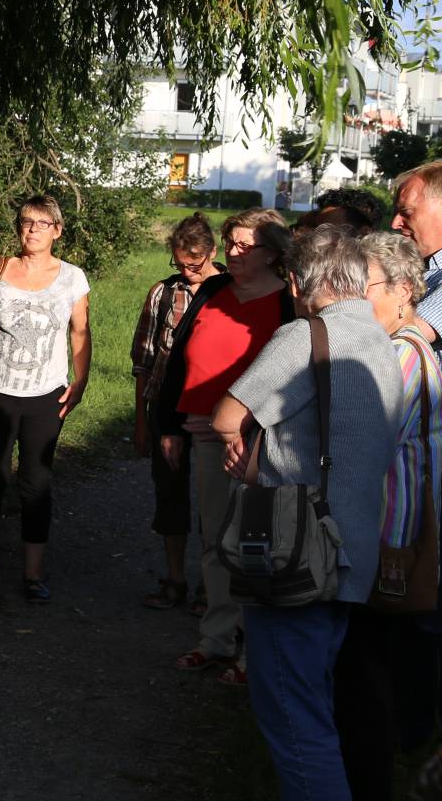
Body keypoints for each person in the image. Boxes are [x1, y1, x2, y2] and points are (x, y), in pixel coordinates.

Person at [215, 225, 402, 801]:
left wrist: (247, 459)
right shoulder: (385, 343)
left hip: (292, 553)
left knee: (295, 723)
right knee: (317, 703)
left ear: (299, 281)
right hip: (350, 555)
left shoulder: (303, 337)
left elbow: (227, 414)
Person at [155, 206, 294, 685]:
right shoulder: (213, 291)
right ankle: (214, 639)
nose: (231, 252)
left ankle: (253, 651)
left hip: (260, 440)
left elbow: (293, 377)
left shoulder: (288, 304)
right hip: (203, 433)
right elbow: (178, 362)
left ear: (273, 253)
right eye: (229, 242)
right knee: (215, 539)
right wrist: (170, 424)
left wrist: (253, 426)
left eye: (243, 245)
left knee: (255, 542)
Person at [333, 232, 442, 798]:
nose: (354, 299)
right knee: (370, 673)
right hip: (381, 536)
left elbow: (360, 443)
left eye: (366, 286)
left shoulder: (402, 352)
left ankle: (369, 784)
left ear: (404, 291)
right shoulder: (394, 347)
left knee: (366, 680)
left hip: (385, 542)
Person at [0, 195, 90, 605]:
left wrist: (81, 378)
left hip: (46, 393)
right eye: (26, 221)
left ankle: (33, 575)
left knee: (36, 482)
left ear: (57, 230)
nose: (33, 229)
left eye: (42, 223)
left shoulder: (73, 277)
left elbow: (79, 332)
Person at [390, 159, 442, 742]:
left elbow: (410, 339)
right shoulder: (434, 274)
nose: (398, 221)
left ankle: (426, 738)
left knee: (438, 601)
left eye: (407, 211)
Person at [131, 212, 223, 610]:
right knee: (170, 494)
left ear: (212, 253)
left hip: (212, 410)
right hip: (165, 408)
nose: (187, 272)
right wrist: (142, 419)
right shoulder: (163, 294)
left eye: (195, 263)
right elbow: (144, 360)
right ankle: (174, 577)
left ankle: (212, 583)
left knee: (214, 500)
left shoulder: (229, 291)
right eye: (180, 263)